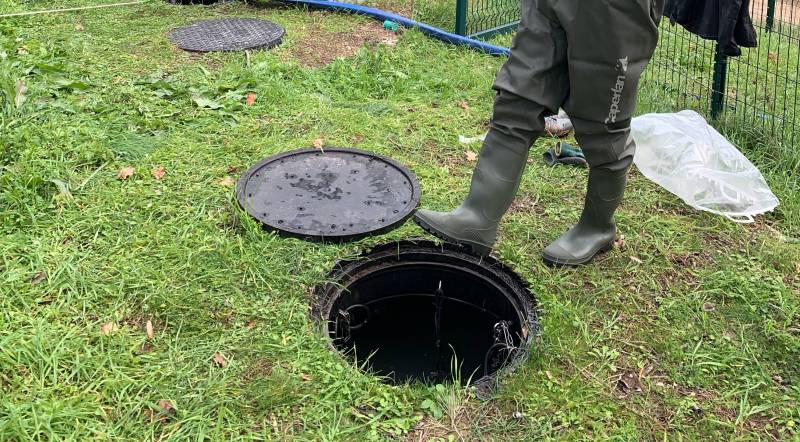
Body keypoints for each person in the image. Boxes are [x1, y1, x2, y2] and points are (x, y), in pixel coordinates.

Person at [415, 0, 665, 266]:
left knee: (604, 124)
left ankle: (597, 227)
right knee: (518, 98)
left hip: (615, 11)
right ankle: (477, 216)